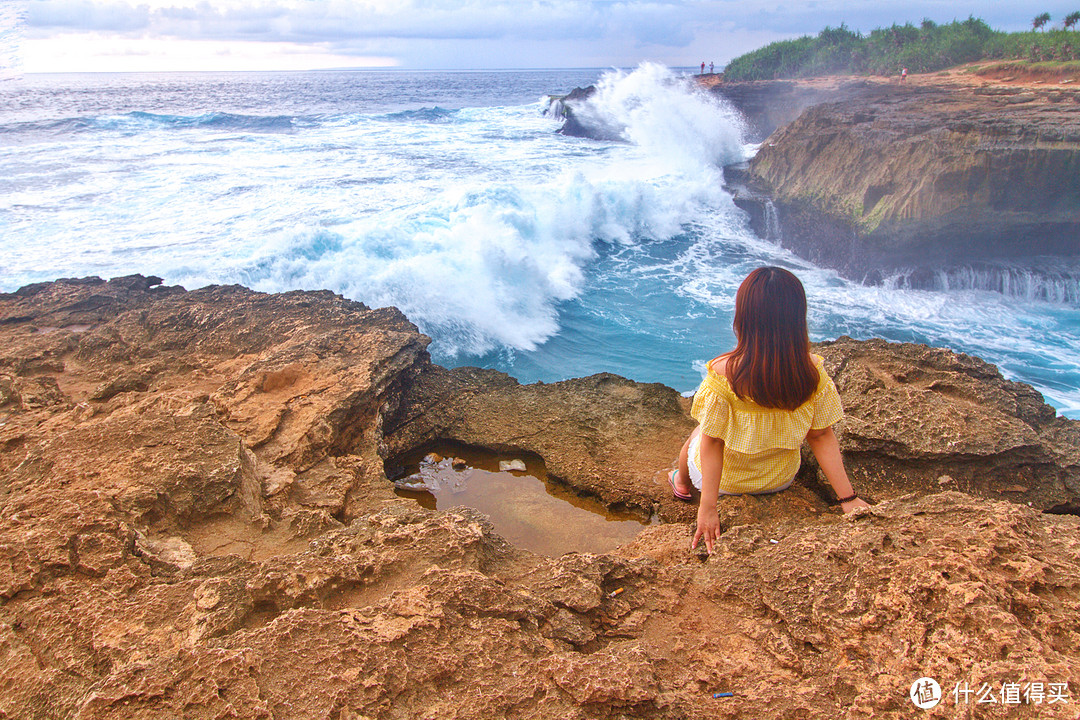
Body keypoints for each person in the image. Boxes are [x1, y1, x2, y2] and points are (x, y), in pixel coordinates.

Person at [666, 267, 870, 554]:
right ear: (798, 318)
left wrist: (708, 509)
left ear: (743, 319)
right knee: (708, 433)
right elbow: (821, 436)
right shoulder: (812, 373)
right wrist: (848, 499)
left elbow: (713, 443)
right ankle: (686, 481)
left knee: (699, 434)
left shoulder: (724, 374)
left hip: (727, 484)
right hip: (780, 479)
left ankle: (682, 483)